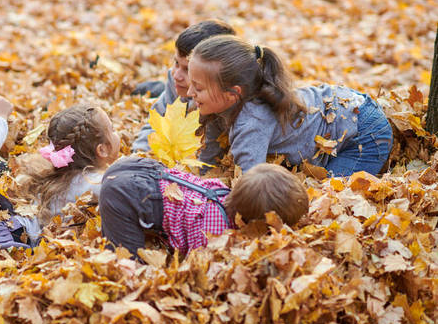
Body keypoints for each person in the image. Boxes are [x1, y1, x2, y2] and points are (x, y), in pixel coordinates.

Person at [187, 35, 393, 177]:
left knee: (327, 196)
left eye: (198, 88)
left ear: (233, 94)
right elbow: (208, 160)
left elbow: (252, 182)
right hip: (346, 110)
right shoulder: (220, 104)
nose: (189, 93)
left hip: (364, 135)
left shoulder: (251, 122)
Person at [99, 158, 308, 257]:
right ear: (244, 223)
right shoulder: (215, 235)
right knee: (128, 261)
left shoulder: (223, 193)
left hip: (138, 168)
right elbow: (197, 262)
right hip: (124, 196)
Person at [131, 20, 236, 157]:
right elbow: (156, 122)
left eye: (187, 69)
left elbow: (211, 152)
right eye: (176, 63)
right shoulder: (174, 79)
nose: (177, 75)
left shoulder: (221, 98)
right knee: (152, 90)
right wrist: (139, 154)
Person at [19, 104, 121, 224]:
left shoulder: (57, 178)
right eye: (112, 129)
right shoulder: (94, 183)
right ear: (102, 150)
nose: (117, 132)